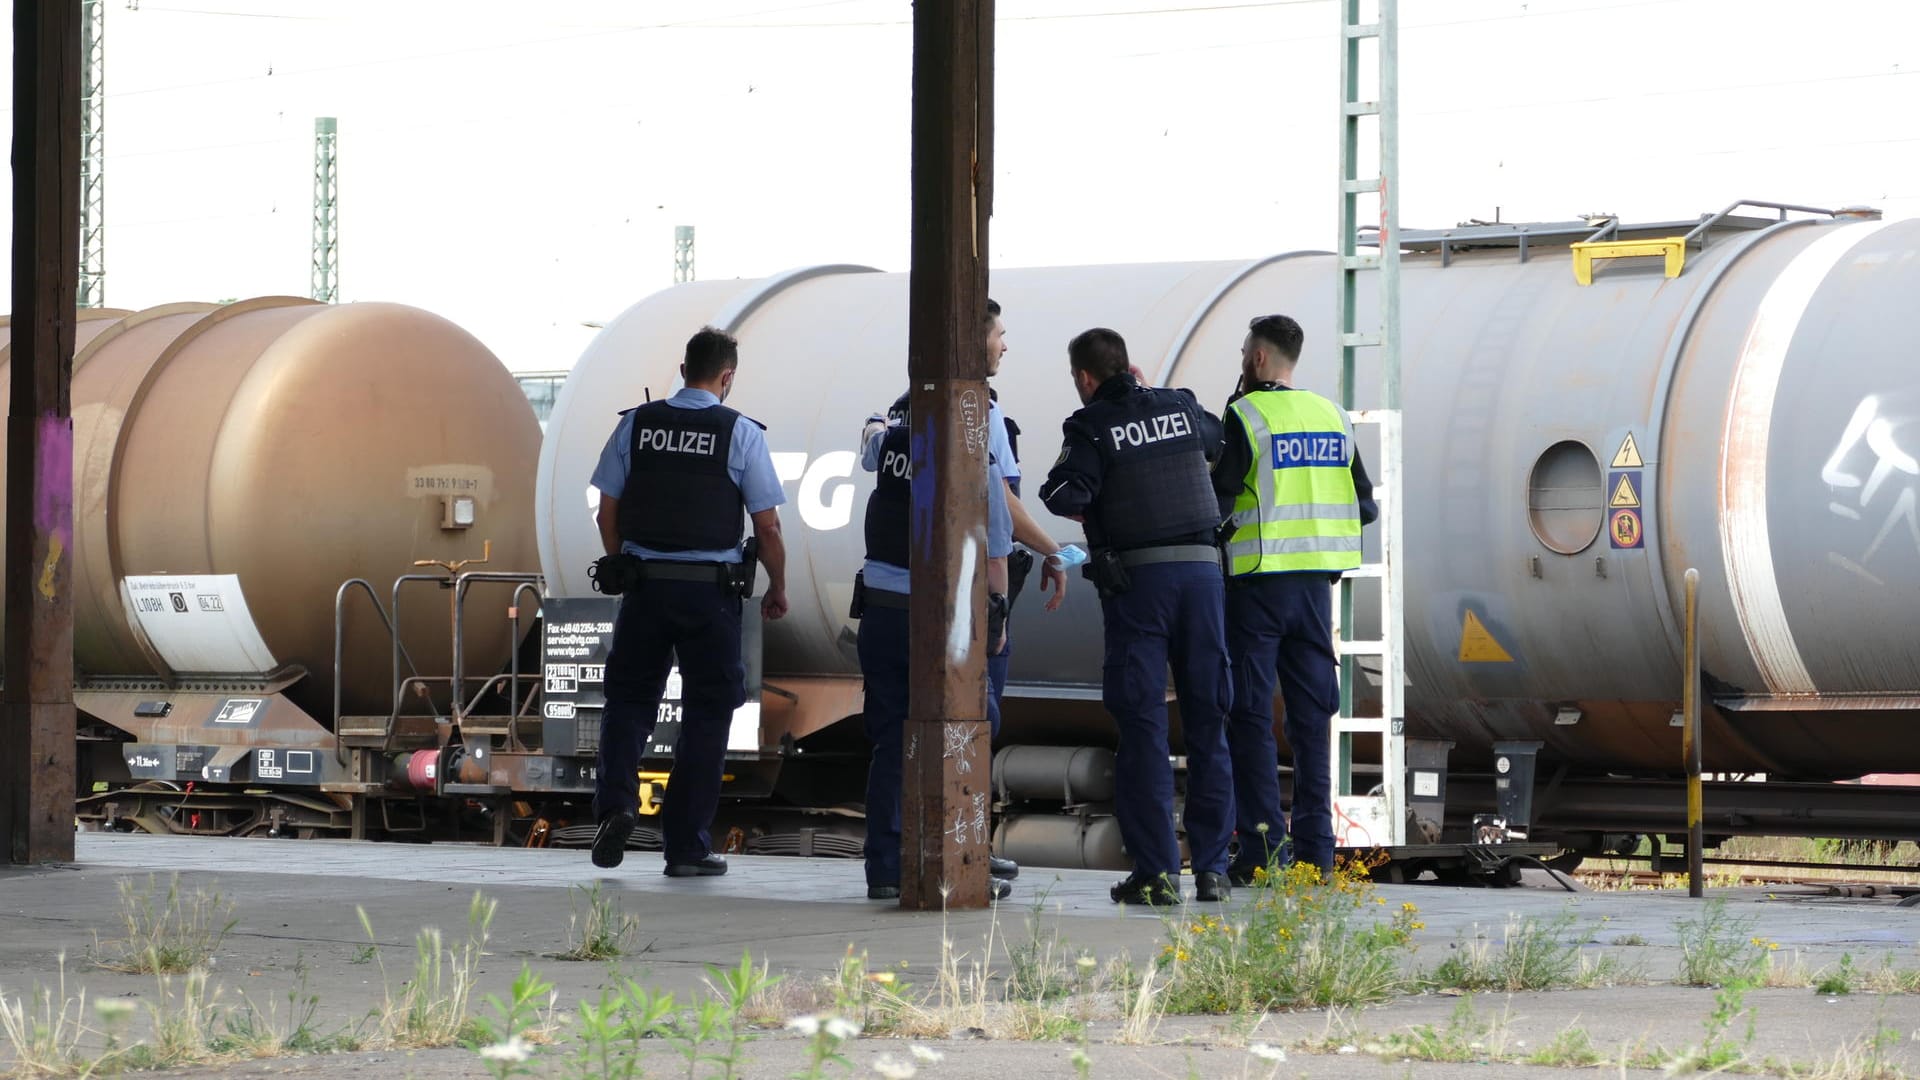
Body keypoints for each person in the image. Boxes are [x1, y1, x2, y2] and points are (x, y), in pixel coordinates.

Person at [1039, 328, 1236, 905]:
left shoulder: (1091, 424)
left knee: (1144, 726)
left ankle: (1156, 873)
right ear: (1133, 367)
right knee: (1208, 722)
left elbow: (1064, 493)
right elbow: (1220, 445)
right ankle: (1214, 871)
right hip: (1204, 579)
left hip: (1141, 587)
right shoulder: (1179, 404)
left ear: (1084, 378)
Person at [586, 326, 789, 876]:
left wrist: (623, 563)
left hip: (645, 588)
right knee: (707, 711)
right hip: (709, 596)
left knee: (628, 701)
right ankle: (686, 847)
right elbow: (767, 526)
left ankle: (617, 807)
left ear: (682, 369)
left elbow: (607, 510)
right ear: (727, 378)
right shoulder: (740, 433)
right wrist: (779, 587)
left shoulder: (636, 424)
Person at [1211, 314, 1377, 883]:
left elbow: (1218, 499)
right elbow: (1366, 504)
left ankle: (1263, 851)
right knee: (1313, 718)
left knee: (1251, 713)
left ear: (1257, 358)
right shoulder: (1331, 414)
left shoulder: (1245, 414)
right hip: (1315, 589)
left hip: (1257, 585)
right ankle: (1317, 854)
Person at [853, 380, 1017, 901]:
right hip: (945, 626)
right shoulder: (975, 458)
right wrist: (998, 622)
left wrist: (880, 423)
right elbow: (994, 553)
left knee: (890, 739)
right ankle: (963, 861)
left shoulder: (890, 446)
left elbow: (872, 440)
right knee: (971, 728)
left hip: (880, 615)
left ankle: (885, 867)